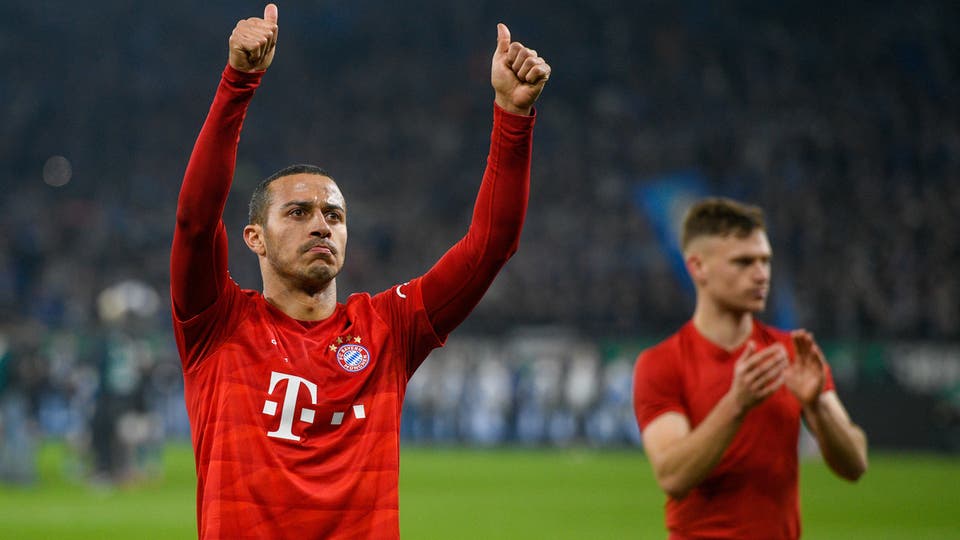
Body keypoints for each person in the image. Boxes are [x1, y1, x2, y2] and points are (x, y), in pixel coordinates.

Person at [169, 4, 550, 539]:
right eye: (298, 213)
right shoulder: (216, 323)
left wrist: (512, 116)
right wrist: (238, 83)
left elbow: (491, 247)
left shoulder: (388, 329)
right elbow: (195, 221)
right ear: (253, 237)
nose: (321, 225)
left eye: (334, 215)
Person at [632, 197, 868, 539]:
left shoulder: (792, 354)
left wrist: (817, 406)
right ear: (697, 268)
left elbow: (856, 464)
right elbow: (672, 476)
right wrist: (736, 403)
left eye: (765, 261)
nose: (761, 275)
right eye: (743, 262)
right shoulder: (662, 363)